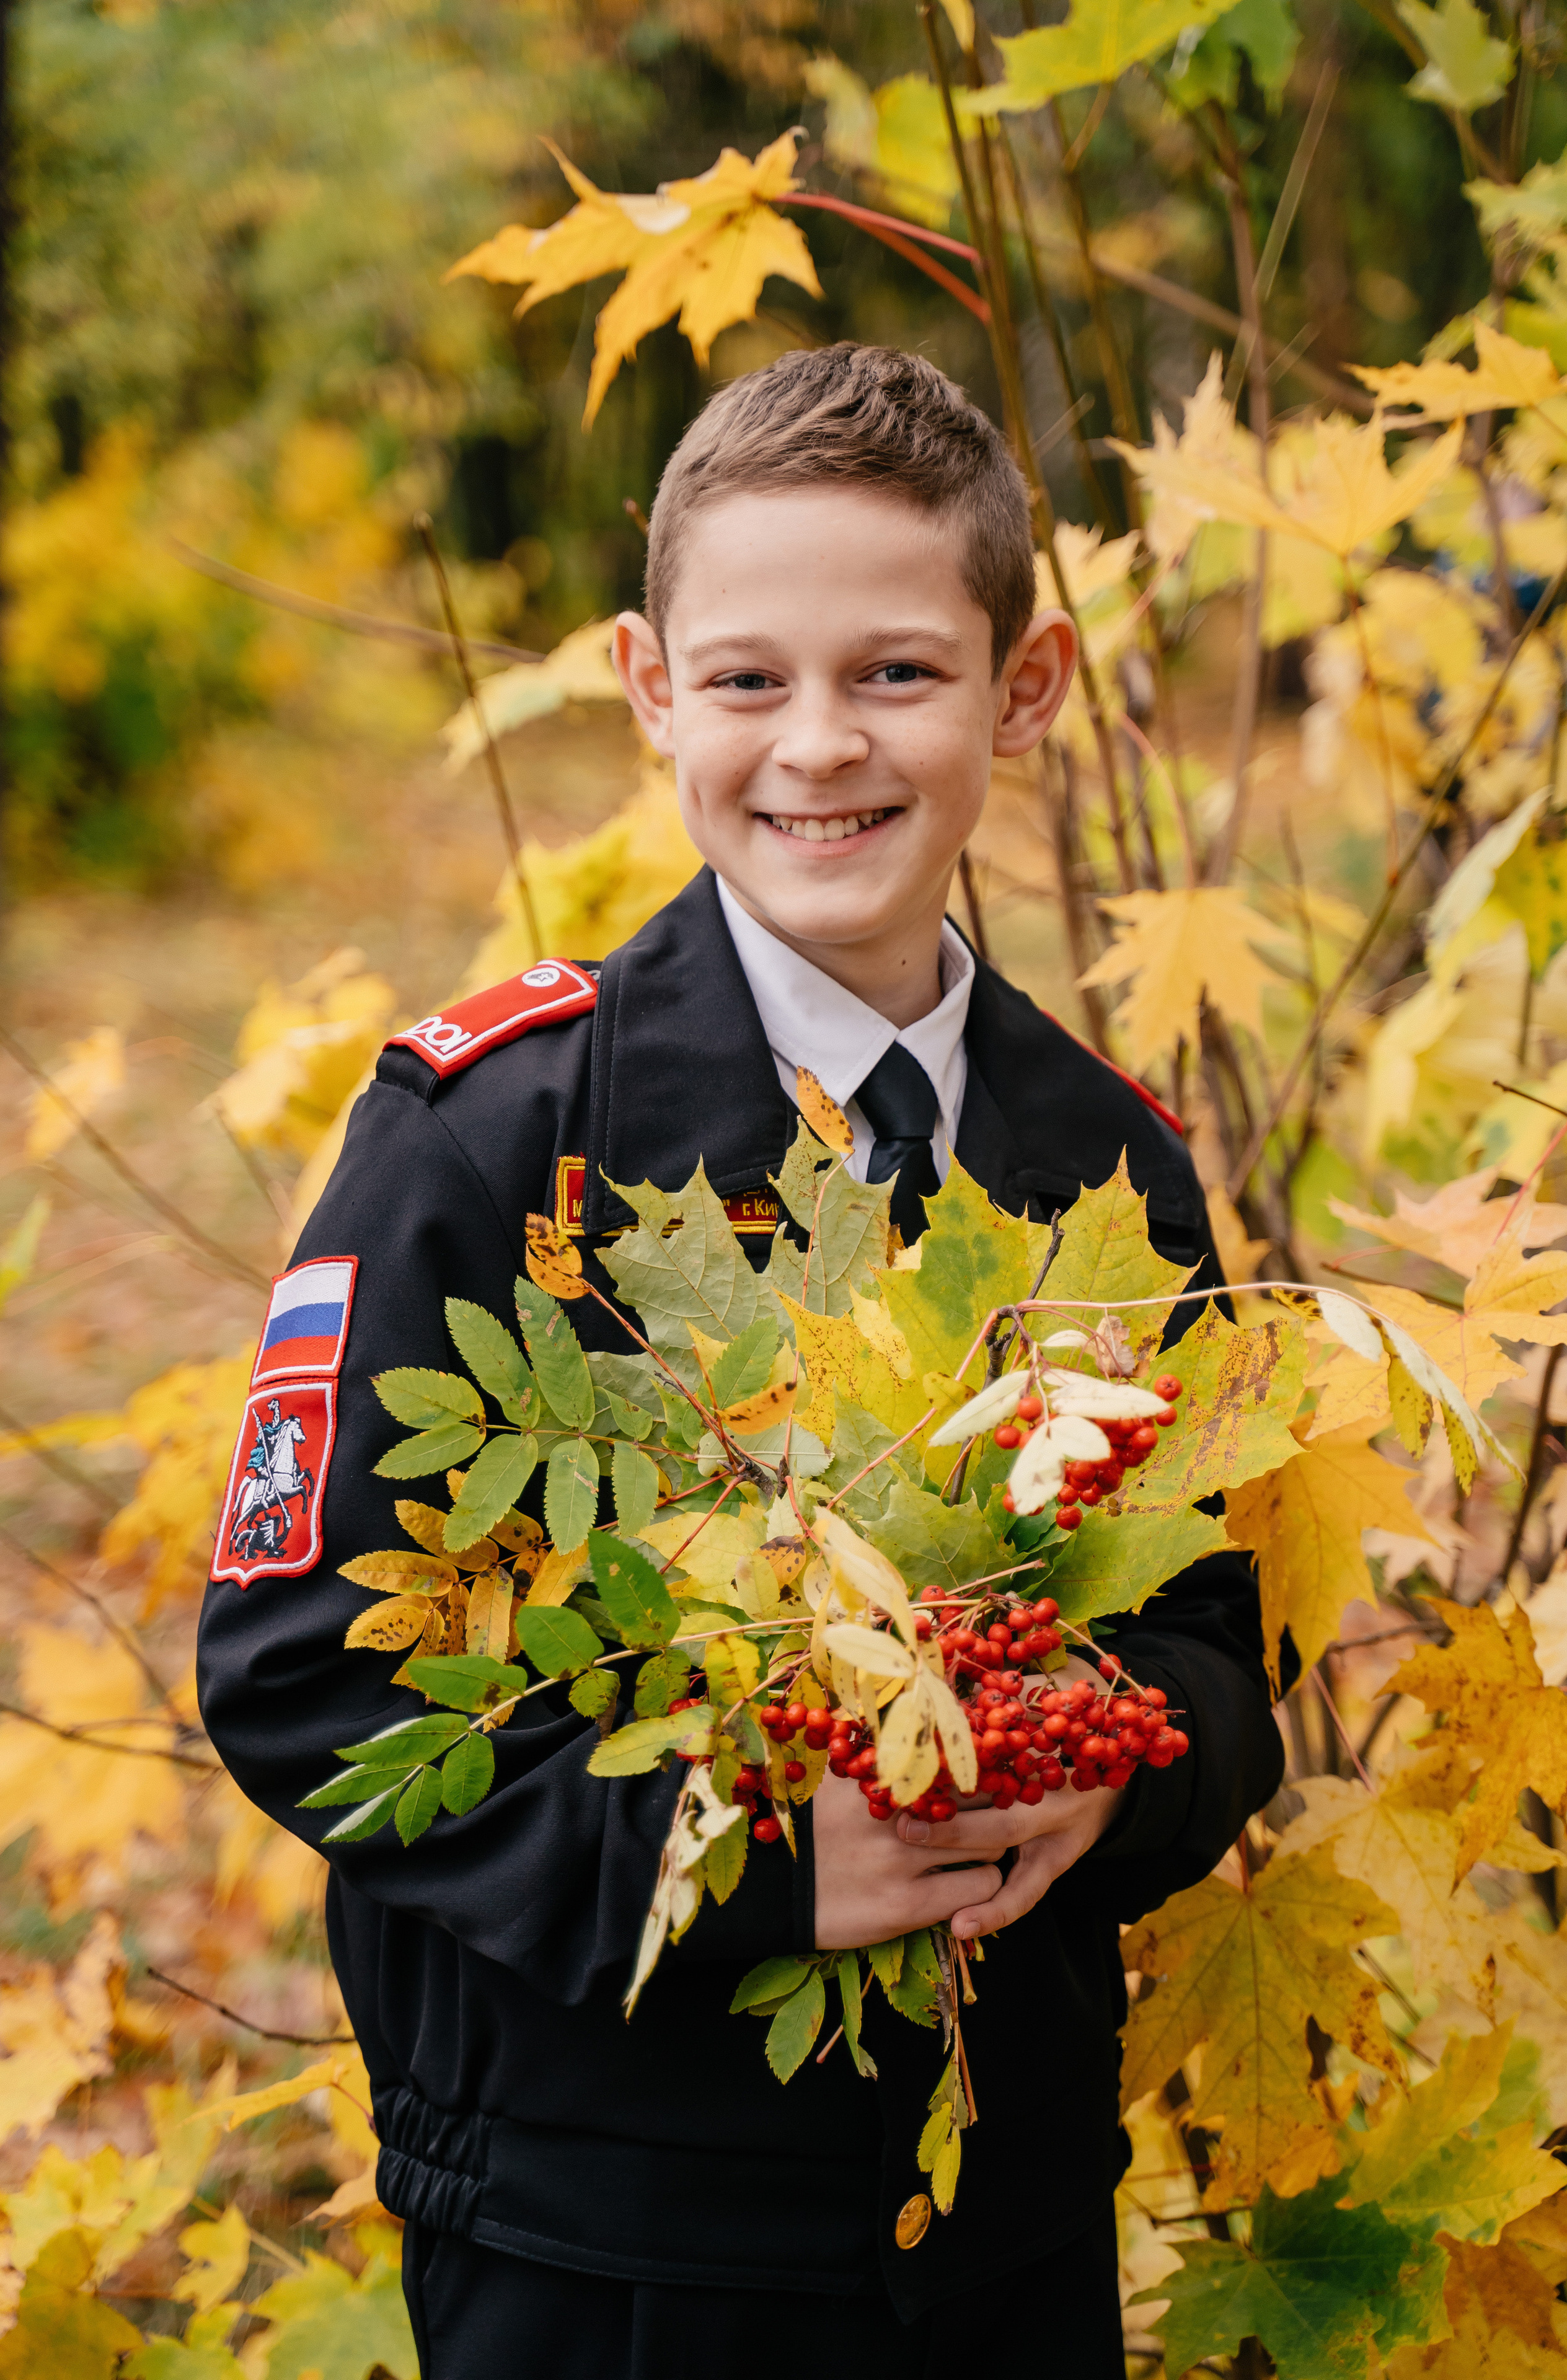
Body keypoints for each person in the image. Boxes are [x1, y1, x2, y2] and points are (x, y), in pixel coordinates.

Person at [198, 343, 1285, 2379]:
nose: (818, 749)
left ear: (1024, 690)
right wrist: (767, 1859)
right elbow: (296, 1670)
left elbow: (1224, 1644)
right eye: (747, 681)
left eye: (895, 674)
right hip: (604, 2227)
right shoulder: (492, 1137)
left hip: (1006, 2216)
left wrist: (1109, 1787)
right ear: (646, 688)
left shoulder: (1107, 1167)